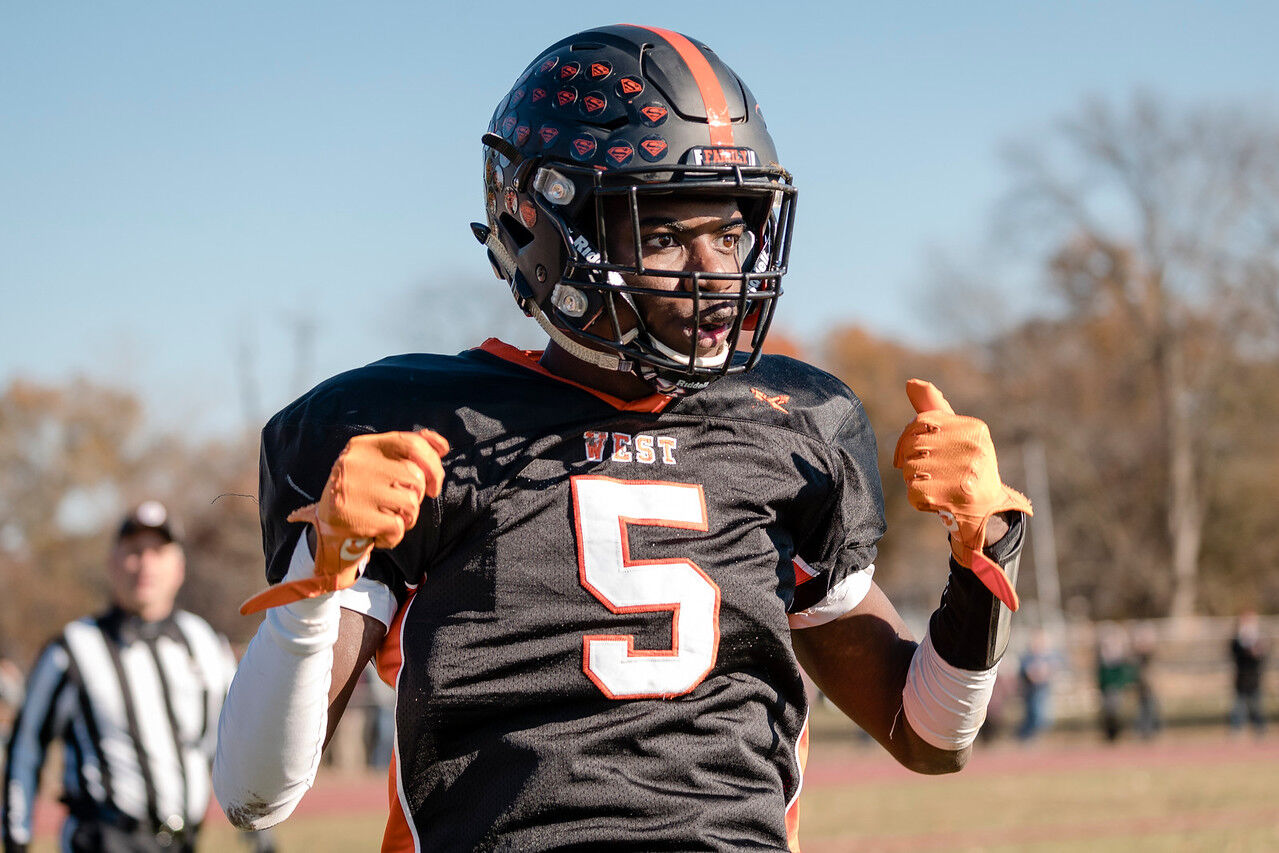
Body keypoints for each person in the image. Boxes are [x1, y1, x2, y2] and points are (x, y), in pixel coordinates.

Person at [214, 24, 1032, 851]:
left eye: (728, 232)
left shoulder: (792, 427)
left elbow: (927, 735)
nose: (714, 274)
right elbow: (255, 793)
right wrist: (323, 579)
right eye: (667, 235)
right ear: (545, 233)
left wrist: (985, 557)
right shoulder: (419, 433)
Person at [3, 502, 238, 852]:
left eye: (158, 551)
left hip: (183, 841)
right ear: (111, 563)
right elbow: (26, 748)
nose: (145, 564)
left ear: (179, 567)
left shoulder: (203, 641)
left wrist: (256, 822)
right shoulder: (71, 649)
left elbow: (231, 739)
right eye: (133, 551)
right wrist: (17, 838)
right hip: (102, 841)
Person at [1229, 611, 1268, 736]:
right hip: (1241, 678)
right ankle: (1236, 728)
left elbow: (1262, 657)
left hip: (1254, 678)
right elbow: (1235, 652)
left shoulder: (1259, 639)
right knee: (1238, 706)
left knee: (1256, 706)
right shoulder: (1237, 640)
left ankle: (1259, 728)